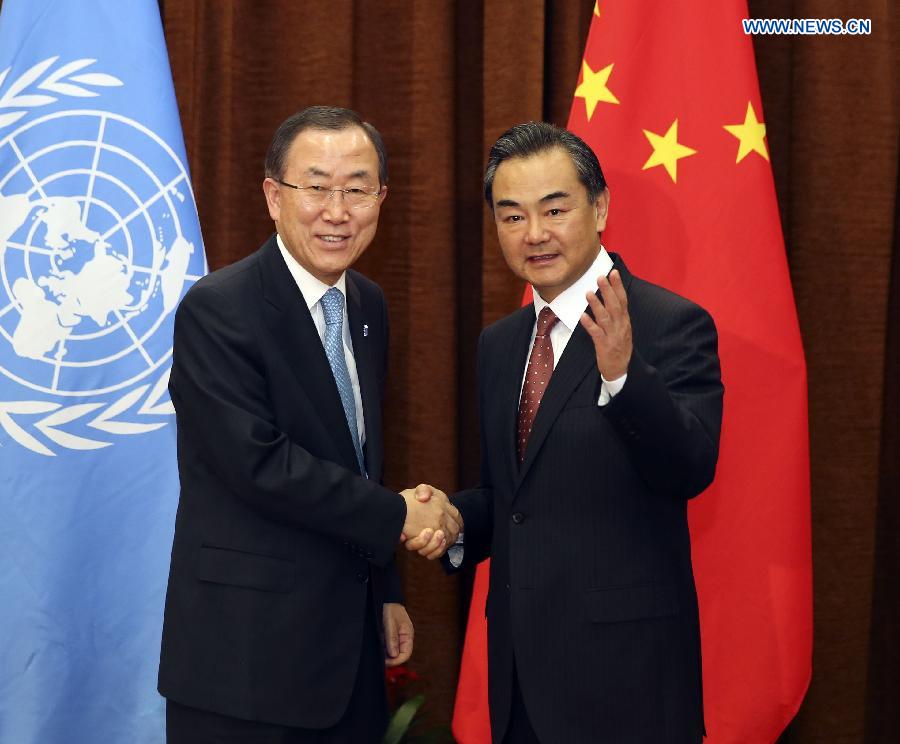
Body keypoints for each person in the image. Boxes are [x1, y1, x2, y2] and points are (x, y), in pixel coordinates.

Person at [407, 122, 723, 743]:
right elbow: (518, 498)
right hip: (521, 677)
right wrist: (455, 520)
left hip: (627, 682)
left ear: (600, 207)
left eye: (555, 209)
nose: (536, 234)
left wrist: (625, 378)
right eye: (513, 215)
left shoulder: (669, 323)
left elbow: (689, 470)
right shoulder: (500, 345)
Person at [158, 106, 460, 743]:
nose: (337, 209)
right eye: (316, 186)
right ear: (273, 196)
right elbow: (260, 464)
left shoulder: (368, 305)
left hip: (346, 656)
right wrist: (399, 516)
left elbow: (356, 459)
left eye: (356, 188)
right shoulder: (219, 309)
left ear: (380, 198)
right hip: (244, 664)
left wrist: (385, 589)